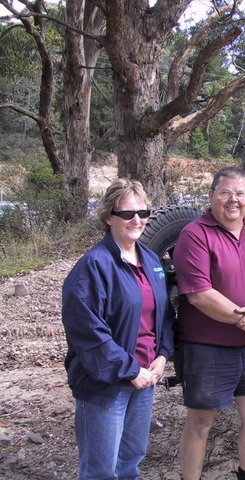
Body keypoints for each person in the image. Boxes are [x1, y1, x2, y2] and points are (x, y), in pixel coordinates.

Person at [172, 166, 245, 480]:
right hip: (208, 347)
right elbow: (200, 295)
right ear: (212, 196)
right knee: (201, 422)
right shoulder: (195, 234)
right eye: (225, 192)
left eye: (239, 193)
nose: (232, 200)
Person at [61, 178, 174, 479]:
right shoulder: (93, 266)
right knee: (101, 471)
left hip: (144, 382)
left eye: (143, 212)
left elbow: (163, 315)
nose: (137, 220)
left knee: (130, 464)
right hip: (106, 387)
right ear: (109, 217)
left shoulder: (151, 260)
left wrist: (163, 355)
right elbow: (87, 332)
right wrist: (130, 371)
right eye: (127, 214)